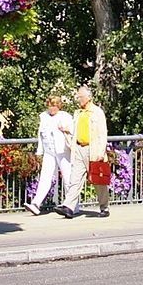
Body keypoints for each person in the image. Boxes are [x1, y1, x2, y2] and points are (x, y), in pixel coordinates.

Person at [55, 85, 109, 218]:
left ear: (88, 98)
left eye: (80, 97)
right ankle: (68, 207)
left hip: (93, 149)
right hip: (79, 148)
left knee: (98, 181)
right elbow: (75, 128)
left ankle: (104, 207)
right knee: (75, 179)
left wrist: (100, 153)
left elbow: (103, 133)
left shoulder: (97, 112)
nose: (78, 99)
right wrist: (66, 130)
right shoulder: (78, 113)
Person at [25, 95, 73, 215]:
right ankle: (36, 203)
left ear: (59, 106)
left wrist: (65, 129)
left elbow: (73, 130)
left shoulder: (65, 116)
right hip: (49, 151)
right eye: (50, 105)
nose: (52, 108)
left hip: (62, 150)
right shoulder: (44, 116)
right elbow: (40, 135)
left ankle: (72, 205)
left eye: (55, 105)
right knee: (45, 177)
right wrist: (39, 151)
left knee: (68, 177)